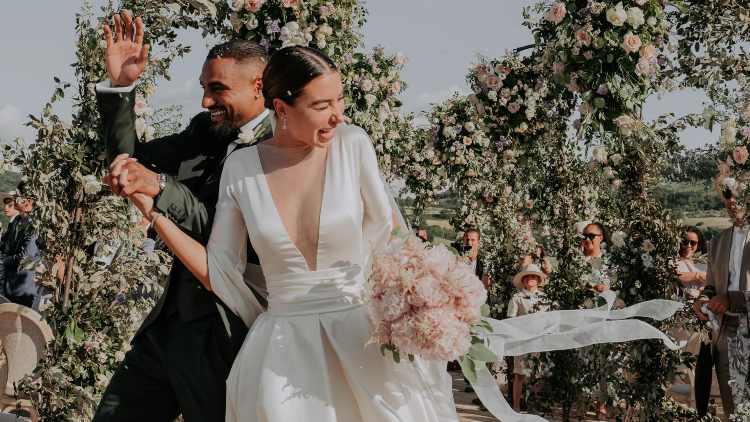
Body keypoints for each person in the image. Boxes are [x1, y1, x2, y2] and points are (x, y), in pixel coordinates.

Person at [123, 46, 684, 422]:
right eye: (322, 105)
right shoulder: (244, 170)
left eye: (340, 100)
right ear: (280, 108)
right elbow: (221, 270)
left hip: (363, 341)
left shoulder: (353, 147)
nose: (338, 114)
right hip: (282, 353)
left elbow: (395, 238)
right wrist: (156, 211)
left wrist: (429, 295)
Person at [93, 11, 273, 422]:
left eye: (217, 88)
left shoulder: (280, 148)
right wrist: (122, 86)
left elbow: (233, 234)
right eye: (203, 88)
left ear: (258, 87)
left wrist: (159, 187)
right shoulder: (204, 129)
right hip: (167, 324)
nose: (205, 101)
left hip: (224, 334)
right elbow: (133, 161)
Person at [693, 186, 750, 417]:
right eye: (727, 195)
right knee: (733, 409)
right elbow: (710, 286)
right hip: (725, 335)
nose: (732, 201)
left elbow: (727, 295)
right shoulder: (716, 241)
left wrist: (730, 298)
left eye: (737, 194)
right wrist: (703, 300)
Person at [507, 264, 549, 412]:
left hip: (537, 340)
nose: (531, 279)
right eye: (528, 276)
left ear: (538, 280)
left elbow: (548, 319)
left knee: (536, 374)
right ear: (523, 280)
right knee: (519, 374)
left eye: (534, 276)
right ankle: (516, 406)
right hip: (521, 340)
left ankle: (533, 405)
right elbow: (511, 319)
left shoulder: (544, 298)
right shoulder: (517, 297)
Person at [0, 187, 41, 309]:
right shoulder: (17, 220)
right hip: (8, 284)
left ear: (29, 201)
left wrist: (3, 260)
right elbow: (7, 247)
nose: (16, 199)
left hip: (23, 288)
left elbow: (26, 258)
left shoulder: (35, 225)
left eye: (19, 196)